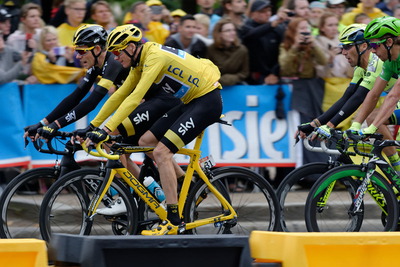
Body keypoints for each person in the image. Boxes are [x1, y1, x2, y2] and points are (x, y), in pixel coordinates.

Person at [84, 24, 223, 235]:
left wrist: (107, 129)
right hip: (190, 101)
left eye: (116, 52)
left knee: (161, 152)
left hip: (207, 101)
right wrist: (94, 126)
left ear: (131, 47)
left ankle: (173, 218)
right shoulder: (139, 61)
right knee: (146, 141)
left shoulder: (154, 57)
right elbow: (119, 96)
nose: (115, 58)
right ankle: (189, 183)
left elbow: (133, 98)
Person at [350, 17, 400, 173]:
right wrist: (355, 126)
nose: (372, 51)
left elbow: (393, 96)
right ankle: (398, 171)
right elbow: (373, 94)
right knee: (373, 118)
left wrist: (371, 128)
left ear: (389, 42)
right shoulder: (390, 62)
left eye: (374, 45)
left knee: (375, 122)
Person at [240, 0, 287, 85]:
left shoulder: (278, 29)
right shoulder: (246, 27)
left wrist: (274, 73)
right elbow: (251, 36)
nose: (267, 13)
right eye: (262, 11)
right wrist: (270, 25)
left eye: (269, 10)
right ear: (253, 14)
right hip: (253, 76)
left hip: (275, 74)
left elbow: (283, 52)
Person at [207, 18, 249, 86]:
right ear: (219, 33)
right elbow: (207, 71)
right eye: (228, 30)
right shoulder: (210, 49)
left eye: (234, 30)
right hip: (214, 85)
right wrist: (219, 80)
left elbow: (244, 72)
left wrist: (232, 78)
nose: (232, 33)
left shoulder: (242, 50)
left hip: (236, 85)